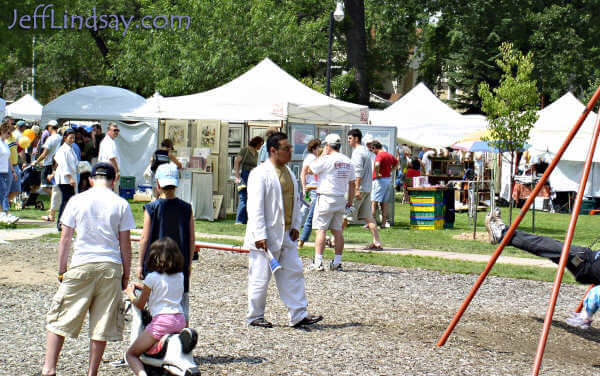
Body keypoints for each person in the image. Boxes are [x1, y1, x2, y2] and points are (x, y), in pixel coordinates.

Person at [40, 162, 136, 376]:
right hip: (110, 266)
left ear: (92, 180)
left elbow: (65, 239)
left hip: (82, 262)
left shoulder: (76, 200)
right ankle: (92, 373)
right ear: (114, 180)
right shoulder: (121, 204)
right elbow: (125, 245)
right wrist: (126, 273)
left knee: (60, 317)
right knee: (101, 324)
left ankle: (49, 368)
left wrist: (61, 269)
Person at [244, 132, 323, 328]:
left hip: (286, 233)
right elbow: (255, 207)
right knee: (260, 277)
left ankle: (298, 314)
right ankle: (255, 315)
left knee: (293, 272)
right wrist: (260, 234)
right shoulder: (259, 173)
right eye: (286, 148)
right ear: (273, 151)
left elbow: (295, 202)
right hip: (265, 235)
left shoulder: (289, 173)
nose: (290, 152)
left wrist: (296, 225)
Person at [485, 209, 600, 329]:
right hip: (588, 261)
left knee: (544, 244)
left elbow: (595, 294)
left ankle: (502, 233)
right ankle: (504, 233)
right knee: (547, 246)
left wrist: (586, 315)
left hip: (585, 263)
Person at [138, 162, 194, 326]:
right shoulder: (186, 208)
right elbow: (191, 239)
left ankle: (155, 340)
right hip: (180, 264)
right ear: (177, 184)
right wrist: (189, 264)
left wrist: (140, 264)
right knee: (181, 304)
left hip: (155, 264)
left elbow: (145, 238)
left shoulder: (151, 208)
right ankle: (184, 339)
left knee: (155, 304)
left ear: (157, 184)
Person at [125, 237, 188, 376]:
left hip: (162, 321)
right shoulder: (180, 276)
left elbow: (141, 304)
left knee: (131, 354)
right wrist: (142, 286)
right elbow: (164, 289)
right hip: (179, 319)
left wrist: (130, 294)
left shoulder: (152, 277)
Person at [306, 133, 356, 271]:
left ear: (327, 146)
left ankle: (318, 262)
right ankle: (337, 262)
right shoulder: (347, 160)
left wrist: (322, 155)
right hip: (340, 198)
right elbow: (352, 184)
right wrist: (350, 202)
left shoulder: (327, 159)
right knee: (338, 231)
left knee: (321, 230)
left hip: (326, 197)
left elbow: (310, 170)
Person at [345, 129, 383, 250]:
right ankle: (377, 242)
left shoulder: (358, 152)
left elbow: (358, 173)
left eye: (350, 138)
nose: (348, 140)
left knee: (345, 215)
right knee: (368, 217)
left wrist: (355, 189)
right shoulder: (366, 151)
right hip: (367, 188)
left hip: (360, 189)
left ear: (356, 138)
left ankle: (335, 240)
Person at [32, 120, 62, 222]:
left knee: (44, 187)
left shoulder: (50, 138)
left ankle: (56, 204)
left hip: (48, 164)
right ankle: (53, 208)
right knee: (53, 187)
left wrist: (36, 161)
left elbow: (45, 153)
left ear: (50, 127)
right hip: (56, 164)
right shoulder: (61, 138)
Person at [234, 136, 264, 225]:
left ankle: (247, 219)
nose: (261, 146)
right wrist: (237, 175)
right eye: (260, 144)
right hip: (244, 174)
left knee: (251, 198)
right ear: (257, 143)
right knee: (244, 197)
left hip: (253, 176)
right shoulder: (245, 150)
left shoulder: (257, 153)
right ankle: (239, 220)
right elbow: (237, 161)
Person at [298, 138, 321, 248]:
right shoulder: (311, 158)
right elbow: (303, 173)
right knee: (305, 209)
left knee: (305, 209)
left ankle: (297, 230)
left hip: (310, 188)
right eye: (318, 147)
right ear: (314, 148)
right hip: (310, 189)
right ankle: (297, 230)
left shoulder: (313, 158)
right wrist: (304, 187)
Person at [54, 129, 78, 232]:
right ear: (65, 138)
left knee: (69, 201)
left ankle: (67, 222)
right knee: (66, 201)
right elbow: (63, 165)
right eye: (70, 137)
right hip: (65, 179)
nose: (72, 139)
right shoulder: (62, 149)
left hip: (70, 178)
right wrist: (70, 177)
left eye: (73, 137)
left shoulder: (70, 149)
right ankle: (61, 222)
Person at [371, 141, 398, 228]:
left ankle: (371, 223)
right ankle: (383, 223)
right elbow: (397, 163)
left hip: (379, 181)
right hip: (387, 180)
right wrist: (390, 171)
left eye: (372, 150)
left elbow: (377, 164)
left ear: (374, 148)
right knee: (385, 203)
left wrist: (377, 172)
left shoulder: (379, 155)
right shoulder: (389, 155)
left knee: (374, 202)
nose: (372, 152)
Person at [0, 122, 19, 223]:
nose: (9, 135)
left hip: (5, 172)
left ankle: (4, 214)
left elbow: (8, 159)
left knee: (3, 193)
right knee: (3, 193)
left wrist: (13, 171)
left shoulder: (5, 144)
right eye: (8, 133)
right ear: (2, 132)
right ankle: (5, 214)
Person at [98, 122, 121, 192]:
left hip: (107, 171)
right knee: (110, 194)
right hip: (108, 172)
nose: (116, 132)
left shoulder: (110, 141)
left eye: (117, 130)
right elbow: (111, 158)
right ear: (108, 130)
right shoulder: (108, 142)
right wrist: (117, 171)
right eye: (114, 130)